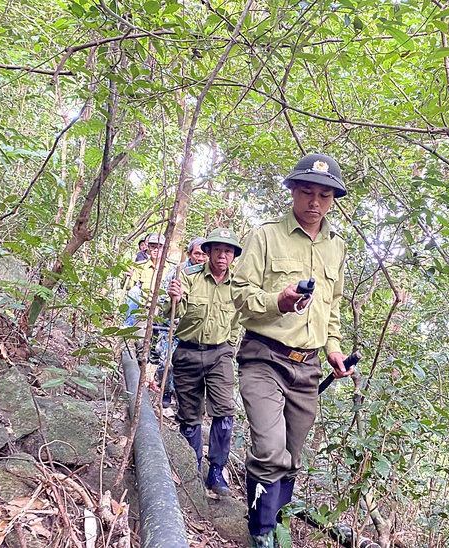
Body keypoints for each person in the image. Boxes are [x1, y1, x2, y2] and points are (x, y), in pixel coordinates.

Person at [231, 154, 354, 547]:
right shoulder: (265, 235)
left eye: (324, 194)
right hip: (264, 357)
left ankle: (275, 521)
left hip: (309, 367)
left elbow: (331, 307)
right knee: (269, 450)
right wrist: (278, 302)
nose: (314, 202)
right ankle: (261, 534)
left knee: (291, 457)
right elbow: (239, 294)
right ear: (293, 192)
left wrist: (333, 348)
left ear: (333, 198)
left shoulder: (337, 247)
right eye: (306, 191)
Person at [163, 228, 242, 497]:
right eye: (217, 249)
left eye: (228, 251)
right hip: (187, 352)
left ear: (233, 256)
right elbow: (175, 314)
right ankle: (192, 466)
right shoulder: (188, 277)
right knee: (189, 415)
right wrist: (174, 298)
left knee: (224, 413)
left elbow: (237, 321)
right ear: (207, 252)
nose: (222, 255)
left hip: (220, 354)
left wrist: (229, 346)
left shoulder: (238, 285)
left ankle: (216, 470)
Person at [154, 236, 208, 407]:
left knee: (187, 367)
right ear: (189, 253)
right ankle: (166, 391)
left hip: (193, 329)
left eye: (204, 254)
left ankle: (180, 397)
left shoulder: (208, 274)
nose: (200, 258)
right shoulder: (176, 271)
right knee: (167, 362)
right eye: (197, 253)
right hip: (170, 326)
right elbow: (163, 298)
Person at [124, 232, 165, 328]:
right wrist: (127, 276)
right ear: (148, 248)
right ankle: (128, 326)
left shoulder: (172, 267)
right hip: (145, 309)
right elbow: (129, 286)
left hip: (164, 310)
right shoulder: (141, 266)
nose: (155, 250)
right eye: (152, 247)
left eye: (159, 247)